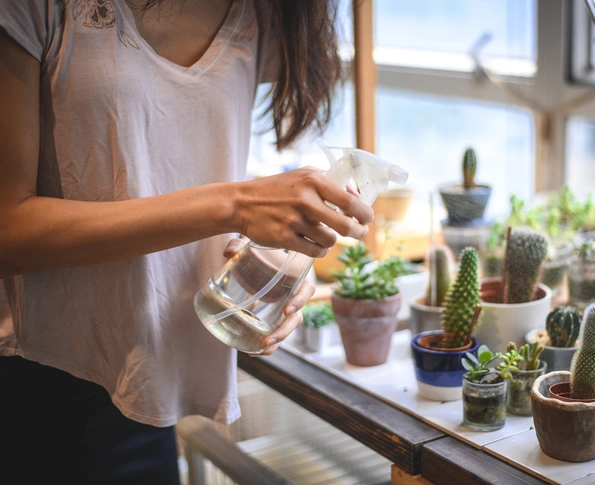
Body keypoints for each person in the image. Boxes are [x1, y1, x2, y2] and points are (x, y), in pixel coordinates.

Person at [0, 0, 373, 483]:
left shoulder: (264, 13)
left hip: (145, 377)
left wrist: (273, 249)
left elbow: (173, 149)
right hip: (32, 372)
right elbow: (7, 231)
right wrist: (236, 204)